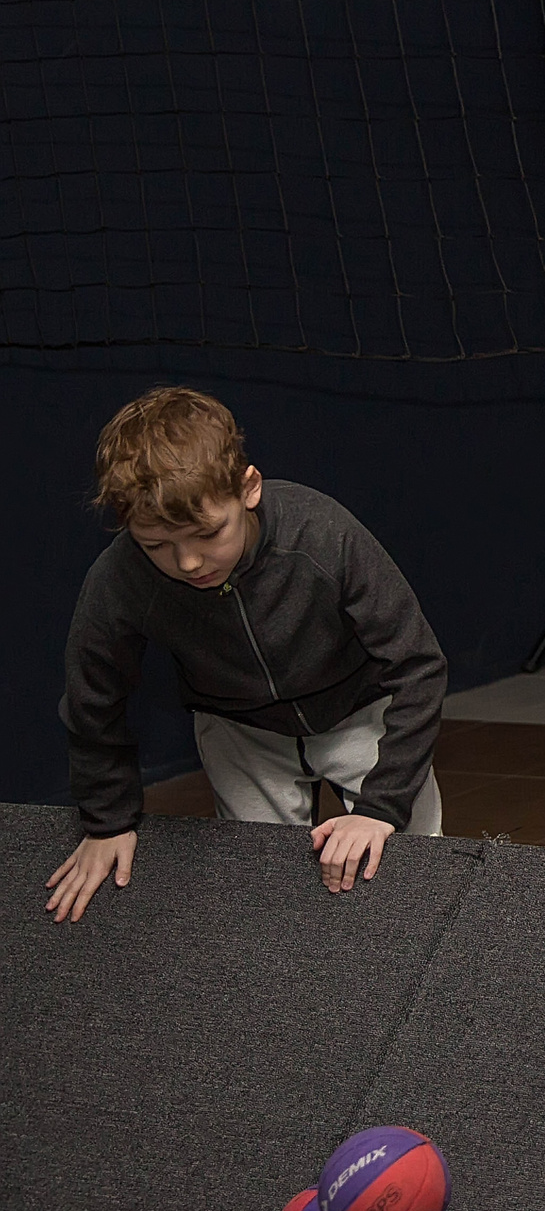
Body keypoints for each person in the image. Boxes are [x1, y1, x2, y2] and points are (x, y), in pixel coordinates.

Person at [48, 388, 447, 921]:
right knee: (262, 895)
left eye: (208, 533)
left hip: (359, 710)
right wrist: (107, 822)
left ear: (248, 488)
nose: (188, 562)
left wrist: (381, 808)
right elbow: (92, 700)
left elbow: (418, 666)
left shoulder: (323, 535)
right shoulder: (120, 581)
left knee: (417, 871)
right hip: (240, 730)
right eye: (156, 545)